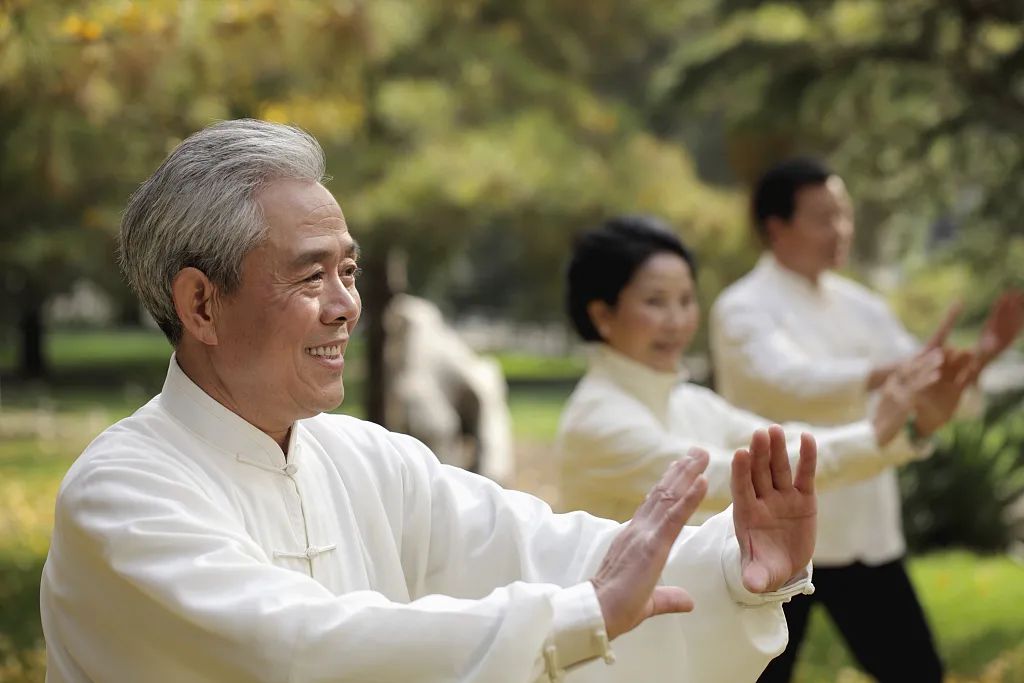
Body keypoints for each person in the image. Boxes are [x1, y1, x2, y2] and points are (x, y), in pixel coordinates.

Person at [40, 120, 819, 683]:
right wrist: (574, 617)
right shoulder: (124, 494)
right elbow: (297, 647)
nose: (346, 305)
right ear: (201, 305)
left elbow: (536, 546)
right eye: (312, 276)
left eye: (348, 272)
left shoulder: (363, 456)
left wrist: (734, 564)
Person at [710, 157, 1024, 683]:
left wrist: (974, 364)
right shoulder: (742, 307)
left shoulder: (863, 306)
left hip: (863, 531)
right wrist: (895, 371)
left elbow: (922, 395)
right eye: (822, 217)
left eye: (844, 215)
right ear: (776, 227)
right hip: (772, 536)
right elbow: (788, 379)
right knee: (756, 676)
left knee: (916, 672)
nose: (840, 230)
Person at [556, 215, 968, 526]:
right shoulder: (598, 420)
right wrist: (877, 431)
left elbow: (784, 442)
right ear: (603, 316)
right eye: (656, 302)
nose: (678, 321)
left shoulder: (691, 403)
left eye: (685, 300)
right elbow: (730, 478)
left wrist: (909, 429)